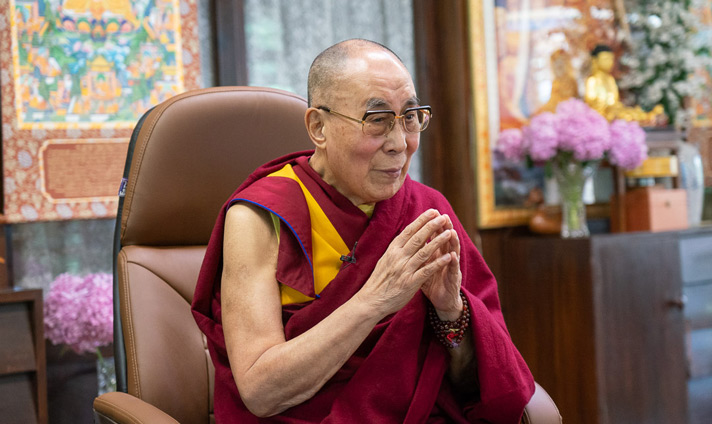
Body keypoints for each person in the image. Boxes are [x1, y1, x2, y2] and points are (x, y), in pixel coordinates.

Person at [192, 39, 535, 423]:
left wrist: (450, 313)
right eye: (377, 120)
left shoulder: (427, 212)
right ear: (318, 127)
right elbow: (260, 391)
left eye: (410, 117)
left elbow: (481, 384)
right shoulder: (262, 217)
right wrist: (375, 300)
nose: (400, 143)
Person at [584, 44, 664, 124]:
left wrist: (617, 107)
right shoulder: (592, 80)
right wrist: (606, 107)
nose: (609, 62)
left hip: (615, 109)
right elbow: (592, 104)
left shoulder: (610, 79)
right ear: (595, 60)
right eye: (605, 59)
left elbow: (615, 100)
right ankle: (647, 118)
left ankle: (647, 116)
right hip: (605, 113)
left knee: (630, 111)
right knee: (622, 116)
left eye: (611, 59)